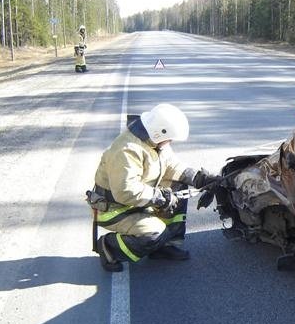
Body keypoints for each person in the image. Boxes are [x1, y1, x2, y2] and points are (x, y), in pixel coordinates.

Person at [87, 103, 219, 272]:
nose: (170, 142)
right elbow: (125, 191)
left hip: (136, 202)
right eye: (169, 138)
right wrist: (160, 198)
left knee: (177, 187)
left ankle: (163, 246)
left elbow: (172, 166)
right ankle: (109, 246)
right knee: (154, 233)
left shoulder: (154, 142)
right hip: (114, 209)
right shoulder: (127, 150)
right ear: (159, 132)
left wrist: (200, 178)